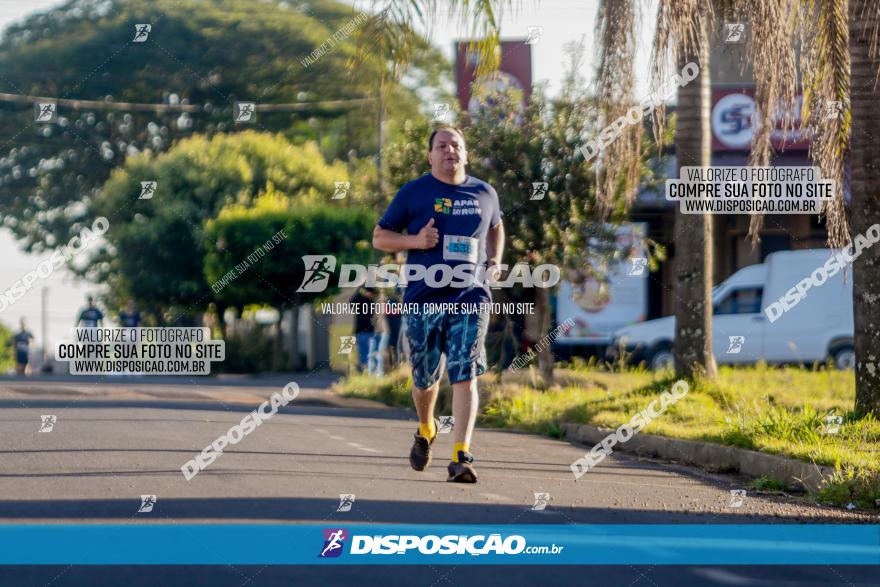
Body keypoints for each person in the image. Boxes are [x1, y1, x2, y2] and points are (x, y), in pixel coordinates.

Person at [372, 126, 505, 483]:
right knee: (425, 377)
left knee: (465, 372)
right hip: (423, 298)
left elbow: (496, 225)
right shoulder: (414, 193)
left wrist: (496, 260)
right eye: (442, 146)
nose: (450, 150)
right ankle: (426, 427)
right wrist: (416, 239)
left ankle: (461, 453)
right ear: (430, 155)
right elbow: (380, 237)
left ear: (465, 153)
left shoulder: (484, 192)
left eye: (456, 145)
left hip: (471, 297)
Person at [349, 287, 375, 372]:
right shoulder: (359, 300)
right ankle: (364, 370)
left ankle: (369, 371)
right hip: (361, 331)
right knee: (363, 353)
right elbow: (351, 301)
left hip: (370, 331)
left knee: (370, 353)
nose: (370, 294)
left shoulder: (371, 301)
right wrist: (360, 289)